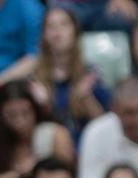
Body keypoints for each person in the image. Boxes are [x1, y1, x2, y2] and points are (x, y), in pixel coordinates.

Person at [32, 7, 112, 144]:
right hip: (52, 152)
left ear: (75, 31)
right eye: (51, 26)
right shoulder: (34, 79)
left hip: (87, 145)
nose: (57, 31)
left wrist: (87, 100)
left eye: (64, 24)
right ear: (44, 35)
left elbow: (108, 127)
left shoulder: (91, 75)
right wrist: (43, 107)